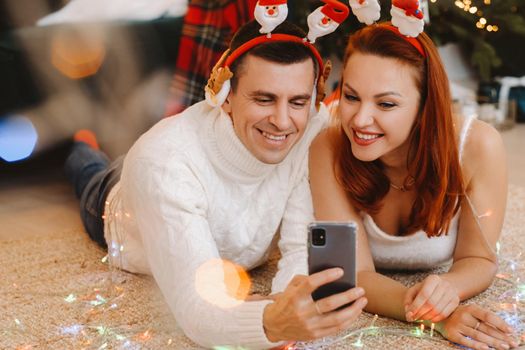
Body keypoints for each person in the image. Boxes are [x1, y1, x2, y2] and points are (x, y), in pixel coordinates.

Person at [64, 16, 367, 349]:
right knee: (89, 171)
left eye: (297, 102)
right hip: (118, 207)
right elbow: (197, 310)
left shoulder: (313, 130)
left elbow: (299, 246)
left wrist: (286, 303)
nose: (282, 122)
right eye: (264, 99)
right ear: (224, 96)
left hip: (173, 174)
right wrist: (271, 322)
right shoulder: (163, 164)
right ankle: (81, 145)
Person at [309, 23, 519, 350]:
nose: (360, 120)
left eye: (386, 104)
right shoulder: (328, 147)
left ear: (424, 106)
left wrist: (448, 287)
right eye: (351, 96)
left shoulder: (478, 146)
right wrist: (435, 315)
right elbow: (354, 274)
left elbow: (479, 258)